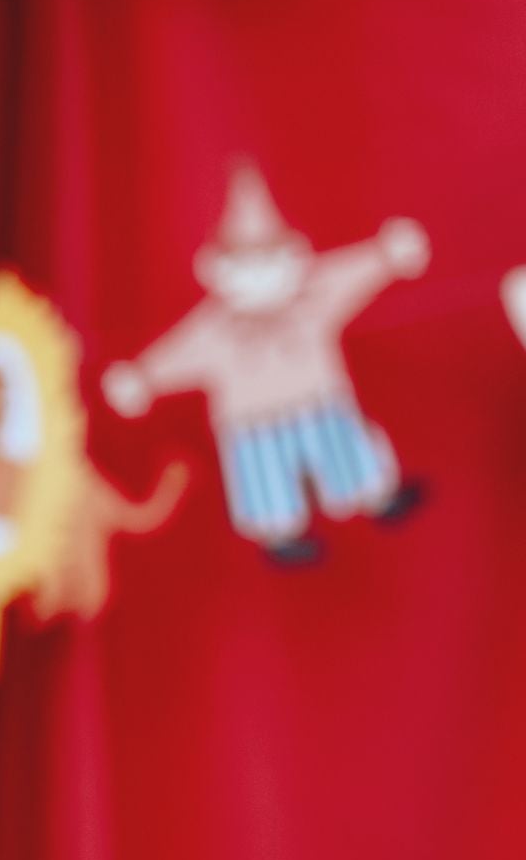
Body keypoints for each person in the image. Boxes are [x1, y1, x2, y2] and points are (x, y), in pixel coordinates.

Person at [102, 163, 427, 566]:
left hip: (320, 401)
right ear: (220, 268)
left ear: (290, 255)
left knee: (343, 449)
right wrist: (145, 377)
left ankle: (375, 493)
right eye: (246, 263)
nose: (259, 276)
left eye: (267, 258)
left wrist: (385, 256)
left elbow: (352, 274)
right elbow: (179, 353)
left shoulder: (315, 294)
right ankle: (280, 532)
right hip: (251, 421)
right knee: (264, 477)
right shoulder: (215, 328)